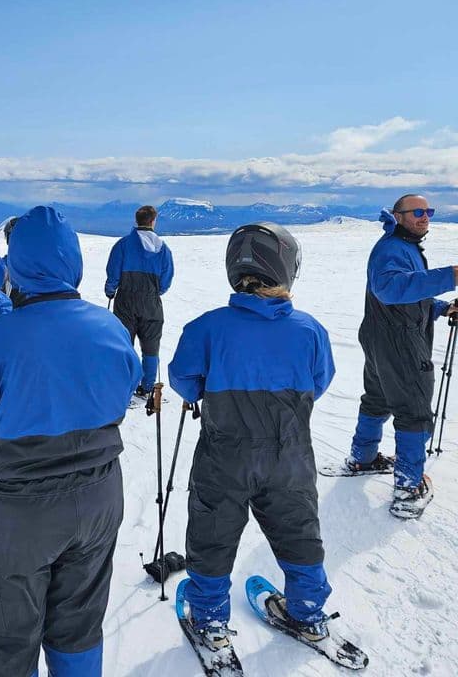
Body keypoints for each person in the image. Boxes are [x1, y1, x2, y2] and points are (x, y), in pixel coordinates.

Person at [0, 206, 141, 677]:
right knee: (79, 624)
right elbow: (123, 394)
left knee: (3, 638)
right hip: (100, 500)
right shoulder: (112, 331)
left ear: (15, 264)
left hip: (14, 518)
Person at [168, 222, 336, 656]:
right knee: (299, 531)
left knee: (213, 532)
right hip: (290, 455)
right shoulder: (310, 329)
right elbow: (320, 382)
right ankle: (308, 611)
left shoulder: (206, 328)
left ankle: (208, 619)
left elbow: (185, 382)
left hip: (225, 454)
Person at [347, 194, 458, 518]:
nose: (425, 217)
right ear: (398, 216)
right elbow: (390, 290)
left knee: (378, 398)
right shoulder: (392, 248)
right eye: (417, 212)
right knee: (413, 409)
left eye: (428, 212)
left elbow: (406, 295)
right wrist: (451, 275)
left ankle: (362, 457)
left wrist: (440, 307)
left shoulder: (402, 247)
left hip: (382, 337)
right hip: (400, 344)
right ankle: (408, 488)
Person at [105, 204, 174, 397]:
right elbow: (166, 281)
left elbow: (113, 274)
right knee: (151, 348)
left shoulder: (123, 245)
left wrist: (110, 291)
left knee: (124, 345)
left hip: (126, 300)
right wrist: (153, 293)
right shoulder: (163, 249)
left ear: (137, 220)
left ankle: (124, 388)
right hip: (151, 303)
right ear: (153, 221)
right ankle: (147, 387)